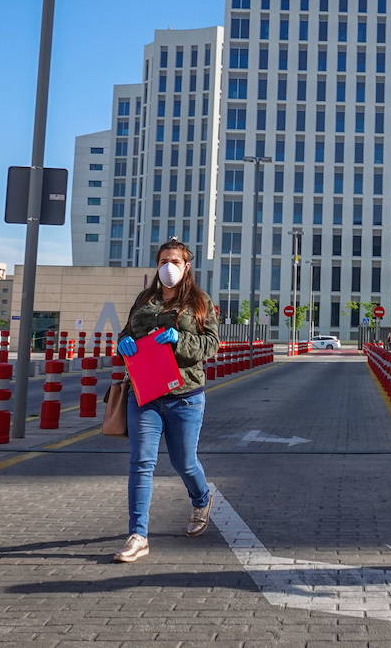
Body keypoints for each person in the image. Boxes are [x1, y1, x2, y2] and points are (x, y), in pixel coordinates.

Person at [111, 239, 220, 563]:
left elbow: (211, 345)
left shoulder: (200, 303)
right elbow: (125, 332)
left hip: (184, 396)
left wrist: (179, 339)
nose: (168, 266)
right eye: (163, 261)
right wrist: (125, 342)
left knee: (183, 462)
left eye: (174, 261)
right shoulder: (145, 300)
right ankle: (138, 535)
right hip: (144, 394)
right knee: (141, 463)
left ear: (187, 266)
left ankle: (201, 498)